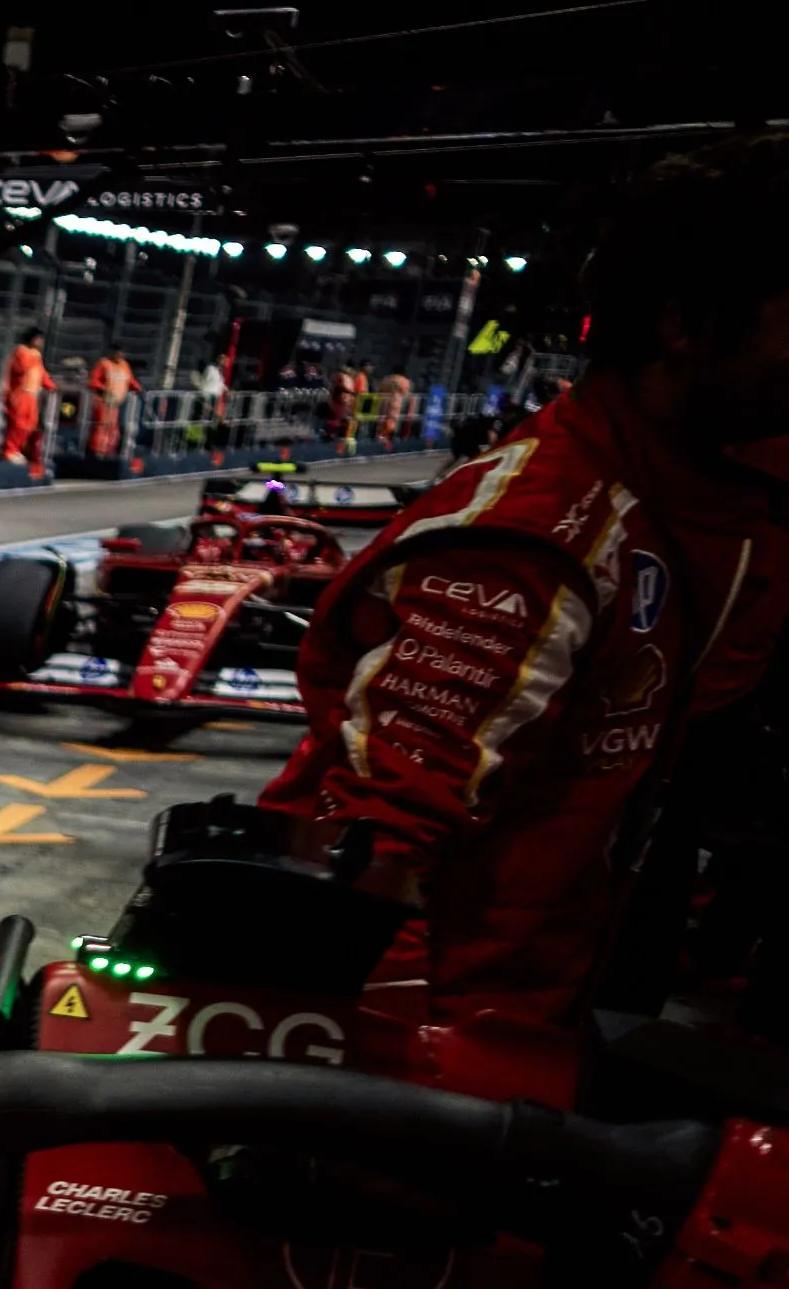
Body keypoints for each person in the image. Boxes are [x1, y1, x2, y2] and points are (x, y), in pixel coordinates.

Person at [256, 131, 789, 1105]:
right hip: (449, 1027)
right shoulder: (534, 537)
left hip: (564, 975)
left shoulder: (727, 500)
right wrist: (380, 1085)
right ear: (687, 324)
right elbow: (376, 853)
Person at [0, 328, 52, 470]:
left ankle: (18, 449)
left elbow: (41, 373)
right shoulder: (21, 351)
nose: (40, 342)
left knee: (30, 424)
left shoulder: (36, 355)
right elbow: (20, 368)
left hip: (32, 395)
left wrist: (50, 385)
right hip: (20, 393)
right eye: (38, 339)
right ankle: (9, 450)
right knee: (17, 423)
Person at [86, 344, 137, 467]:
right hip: (104, 401)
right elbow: (93, 381)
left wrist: (138, 388)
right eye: (116, 352)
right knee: (101, 426)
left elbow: (130, 380)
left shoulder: (125, 366)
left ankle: (109, 451)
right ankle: (96, 451)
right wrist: (103, 390)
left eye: (121, 353)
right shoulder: (104, 364)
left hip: (116, 403)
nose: (119, 355)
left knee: (112, 428)